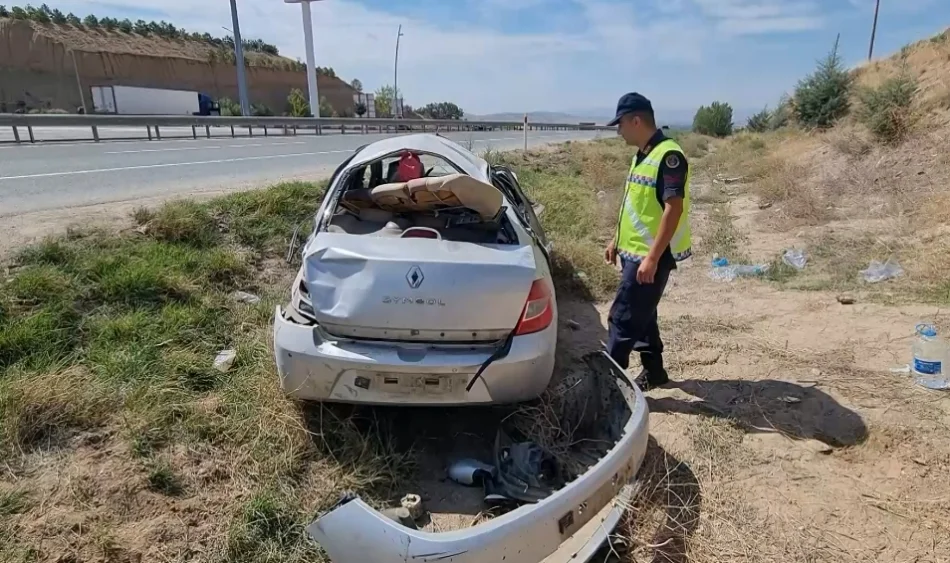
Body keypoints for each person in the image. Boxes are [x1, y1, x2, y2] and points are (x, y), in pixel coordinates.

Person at [604, 92, 692, 391]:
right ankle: (655, 373)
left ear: (636, 120)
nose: (619, 131)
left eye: (621, 124)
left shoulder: (669, 156)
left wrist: (652, 258)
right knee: (645, 316)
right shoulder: (642, 155)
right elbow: (636, 206)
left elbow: (673, 208)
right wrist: (615, 239)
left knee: (622, 319)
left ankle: (608, 390)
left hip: (649, 257)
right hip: (635, 254)